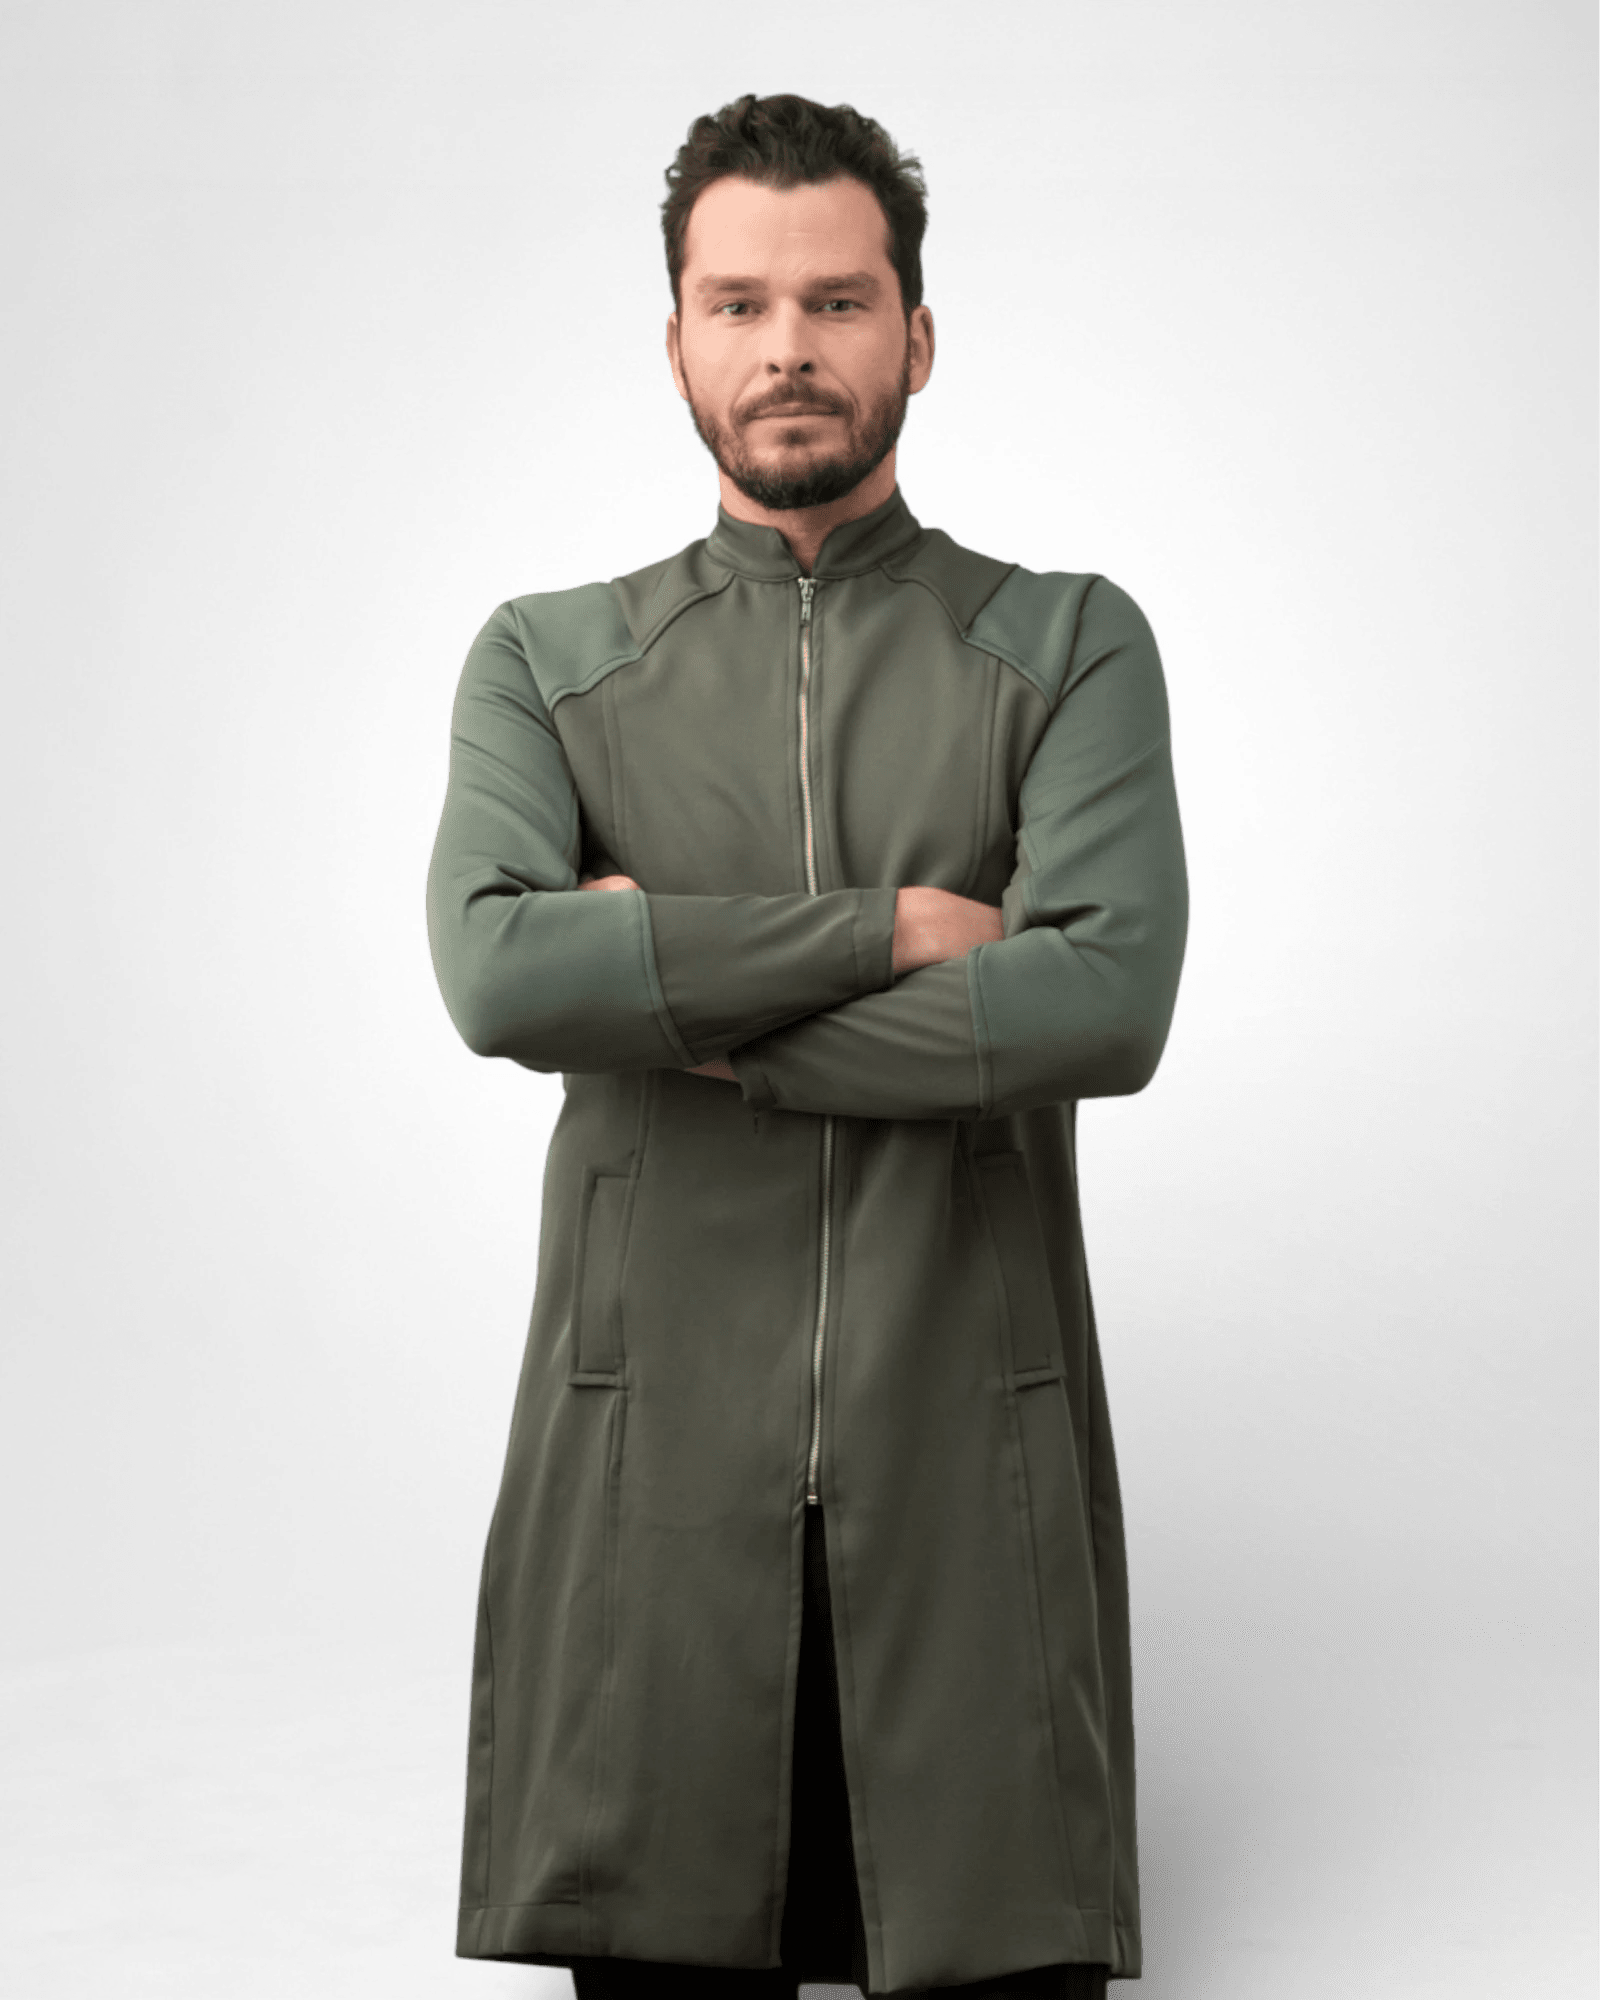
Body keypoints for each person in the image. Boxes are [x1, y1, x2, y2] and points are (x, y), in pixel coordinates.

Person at [426, 92, 1188, 2000]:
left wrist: (685, 1014)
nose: (788, 348)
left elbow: (1103, 1004)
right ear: (676, 340)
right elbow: (502, 979)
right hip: (652, 1503)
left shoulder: (1068, 647)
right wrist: (892, 931)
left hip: (966, 1481)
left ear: (915, 337)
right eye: (740, 304)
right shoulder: (547, 661)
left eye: (838, 302)